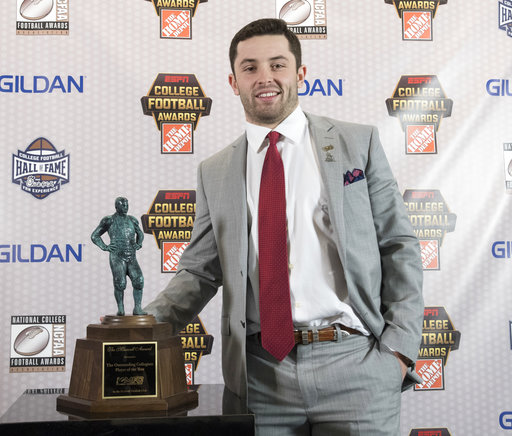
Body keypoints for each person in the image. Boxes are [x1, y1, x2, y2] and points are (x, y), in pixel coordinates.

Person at [145, 18, 423, 435]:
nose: (265, 78)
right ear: (233, 81)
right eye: (250, 67)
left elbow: (398, 244)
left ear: (300, 73)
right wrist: (138, 329)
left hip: (357, 367)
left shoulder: (357, 143)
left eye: (277, 65)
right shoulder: (215, 171)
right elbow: (200, 271)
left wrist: (398, 351)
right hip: (258, 378)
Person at [91, 197, 147, 316]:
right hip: (117, 256)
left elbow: (140, 233)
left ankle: (137, 308)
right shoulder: (109, 220)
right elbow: (95, 235)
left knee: (139, 280)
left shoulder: (132, 220)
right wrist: (104, 247)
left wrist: (139, 243)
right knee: (120, 283)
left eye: (127, 205)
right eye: (123, 205)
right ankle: (120, 309)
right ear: (116, 206)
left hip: (131, 256)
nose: (126, 207)